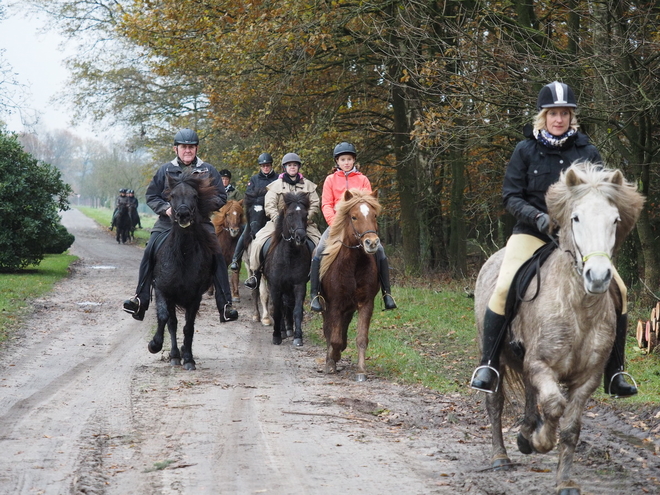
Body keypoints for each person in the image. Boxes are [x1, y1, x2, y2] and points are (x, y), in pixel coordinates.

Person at [469, 81, 637, 398]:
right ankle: (489, 363)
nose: (558, 119)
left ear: (571, 117)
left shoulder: (587, 152)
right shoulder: (525, 150)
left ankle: (615, 372)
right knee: (504, 286)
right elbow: (511, 196)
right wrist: (538, 217)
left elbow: (600, 199)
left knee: (621, 291)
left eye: (564, 113)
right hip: (533, 234)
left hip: (578, 241)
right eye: (553, 113)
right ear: (543, 116)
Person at [122, 128, 238, 323]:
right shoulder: (165, 170)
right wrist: (166, 208)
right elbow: (151, 196)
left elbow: (221, 196)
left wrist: (201, 206)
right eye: (184, 147)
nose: (187, 151)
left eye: (191, 147)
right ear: (176, 149)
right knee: (150, 249)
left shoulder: (208, 170)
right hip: (168, 223)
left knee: (217, 252)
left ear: (197, 148)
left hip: (199, 222)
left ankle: (225, 305)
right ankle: (140, 299)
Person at [309, 142, 397, 312]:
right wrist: (334, 222)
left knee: (380, 251)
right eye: (343, 159)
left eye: (349, 159)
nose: (346, 162)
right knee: (319, 250)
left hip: (359, 226)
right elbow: (326, 204)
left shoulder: (363, 179)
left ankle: (387, 294)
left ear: (354, 160)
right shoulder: (330, 180)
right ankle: (315, 295)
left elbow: (370, 203)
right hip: (336, 224)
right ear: (337, 162)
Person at [245, 152, 321, 289]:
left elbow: (315, 203)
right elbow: (269, 205)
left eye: (295, 165)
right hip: (278, 224)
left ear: (298, 167)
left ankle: (319, 277)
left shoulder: (309, 185)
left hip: (304, 224)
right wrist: (278, 220)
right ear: (284, 167)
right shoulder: (275, 186)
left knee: (320, 244)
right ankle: (255, 273)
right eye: (289, 165)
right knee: (258, 242)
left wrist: (304, 218)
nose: (292, 167)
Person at [229, 153, 278, 271]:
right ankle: (235, 259)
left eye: (267, 165)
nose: (265, 168)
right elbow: (249, 196)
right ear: (260, 167)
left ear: (271, 165)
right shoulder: (254, 179)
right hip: (257, 212)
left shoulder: (277, 179)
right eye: (263, 166)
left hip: (271, 213)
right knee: (246, 231)